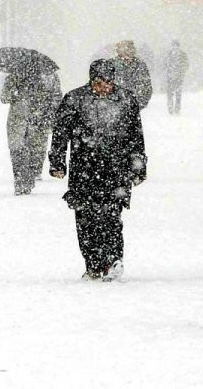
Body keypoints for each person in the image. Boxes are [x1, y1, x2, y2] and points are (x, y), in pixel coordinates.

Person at [49, 59, 147, 282]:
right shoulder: (75, 99)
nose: (102, 87)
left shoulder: (126, 99)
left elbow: (136, 136)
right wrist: (57, 162)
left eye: (106, 82)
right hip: (84, 168)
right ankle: (93, 264)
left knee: (112, 216)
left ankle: (113, 260)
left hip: (116, 169)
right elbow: (60, 133)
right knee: (86, 219)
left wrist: (138, 166)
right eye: (98, 82)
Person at [1, 67, 61, 196]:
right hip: (18, 120)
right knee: (17, 150)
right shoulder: (15, 75)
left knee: (35, 150)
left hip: (39, 119)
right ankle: (20, 181)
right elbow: (4, 97)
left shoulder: (50, 76)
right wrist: (15, 93)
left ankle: (30, 176)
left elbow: (56, 97)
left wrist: (49, 111)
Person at [110, 40, 153, 110]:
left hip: (134, 108)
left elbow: (147, 88)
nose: (127, 54)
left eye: (129, 50)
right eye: (124, 50)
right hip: (114, 110)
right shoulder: (110, 65)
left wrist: (138, 105)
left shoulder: (140, 65)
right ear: (118, 51)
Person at [164, 40, 189, 115]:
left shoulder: (172, 54)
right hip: (173, 77)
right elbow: (187, 65)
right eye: (174, 45)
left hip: (175, 77)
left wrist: (181, 71)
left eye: (176, 45)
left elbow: (186, 65)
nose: (175, 47)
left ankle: (173, 108)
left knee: (175, 93)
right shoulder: (170, 54)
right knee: (175, 93)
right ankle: (173, 108)